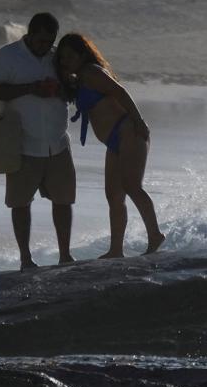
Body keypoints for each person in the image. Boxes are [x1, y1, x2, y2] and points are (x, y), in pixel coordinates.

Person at [55, 32, 165, 259]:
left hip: (129, 132)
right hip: (115, 141)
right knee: (114, 196)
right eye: (62, 57)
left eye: (70, 56)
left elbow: (120, 92)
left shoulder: (92, 72)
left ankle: (155, 235)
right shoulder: (81, 77)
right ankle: (116, 250)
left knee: (132, 186)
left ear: (82, 54)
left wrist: (138, 120)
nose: (66, 60)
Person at [0, 11, 74, 270]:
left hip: (57, 142)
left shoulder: (58, 58)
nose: (44, 46)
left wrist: (60, 89)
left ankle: (65, 255)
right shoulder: (8, 56)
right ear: (30, 34)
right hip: (21, 143)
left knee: (64, 200)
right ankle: (25, 258)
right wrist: (31, 88)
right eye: (41, 41)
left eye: (49, 41)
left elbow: (73, 90)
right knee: (20, 203)